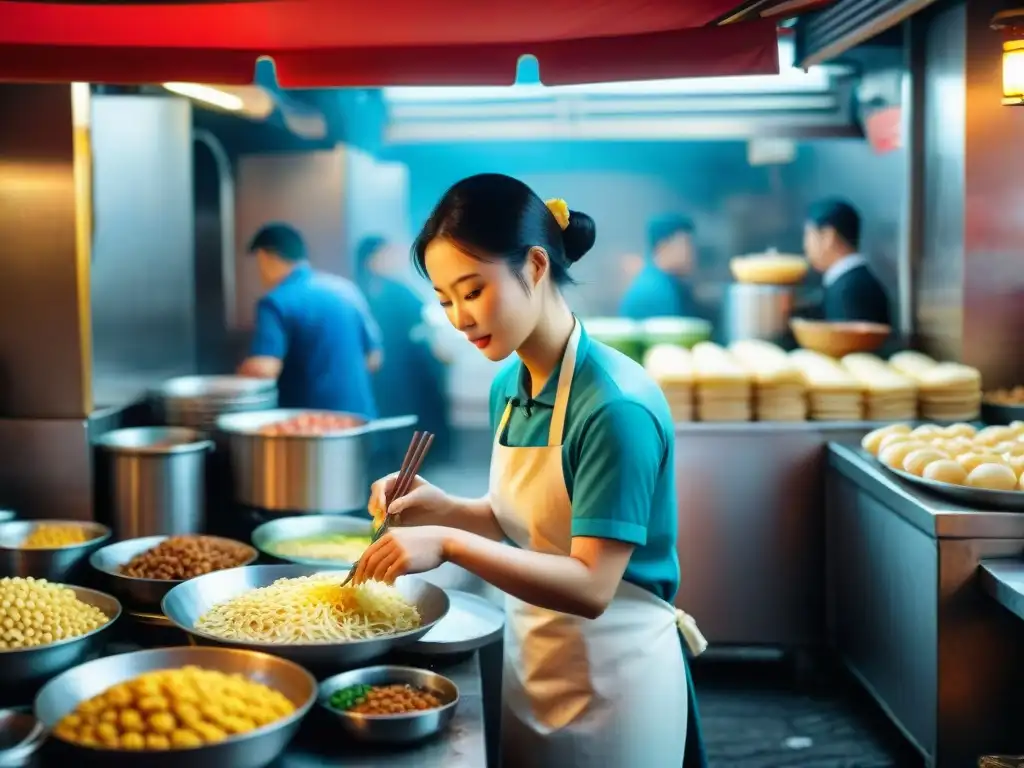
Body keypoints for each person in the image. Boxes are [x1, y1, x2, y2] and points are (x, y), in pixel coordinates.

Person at [352, 174, 709, 768]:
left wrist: (447, 542)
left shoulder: (614, 407)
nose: (460, 318)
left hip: (618, 685)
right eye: (445, 300)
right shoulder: (510, 384)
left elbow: (593, 587)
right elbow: (519, 524)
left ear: (536, 266)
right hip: (536, 663)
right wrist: (437, 506)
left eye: (473, 290)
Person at [238, 223, 382, 418]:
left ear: (266, 257)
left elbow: (264, 368)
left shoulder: (276, 301)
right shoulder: (347, 290)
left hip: (309, 427)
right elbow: (374, 358)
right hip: (359, 420)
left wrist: (240, 375)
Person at [356, 235, 451, 465]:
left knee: (398, 414)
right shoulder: (386, 289)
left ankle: (403, 460)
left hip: (390, 366)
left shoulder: (368, 289)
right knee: (406, 413)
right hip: (398, 367)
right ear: (371, 259)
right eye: (385, 254)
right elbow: (421, 322)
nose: (391, 259)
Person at [803, 198, 891, 326]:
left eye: (808, 235)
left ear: (828, 237)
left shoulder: (849, 289)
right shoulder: (854, 281)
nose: (805, 246)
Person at [619, 213, 703, 320]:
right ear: (663, 246)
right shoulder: (653, 291)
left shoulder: (666, 283)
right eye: (686, 244)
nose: (692, 253)